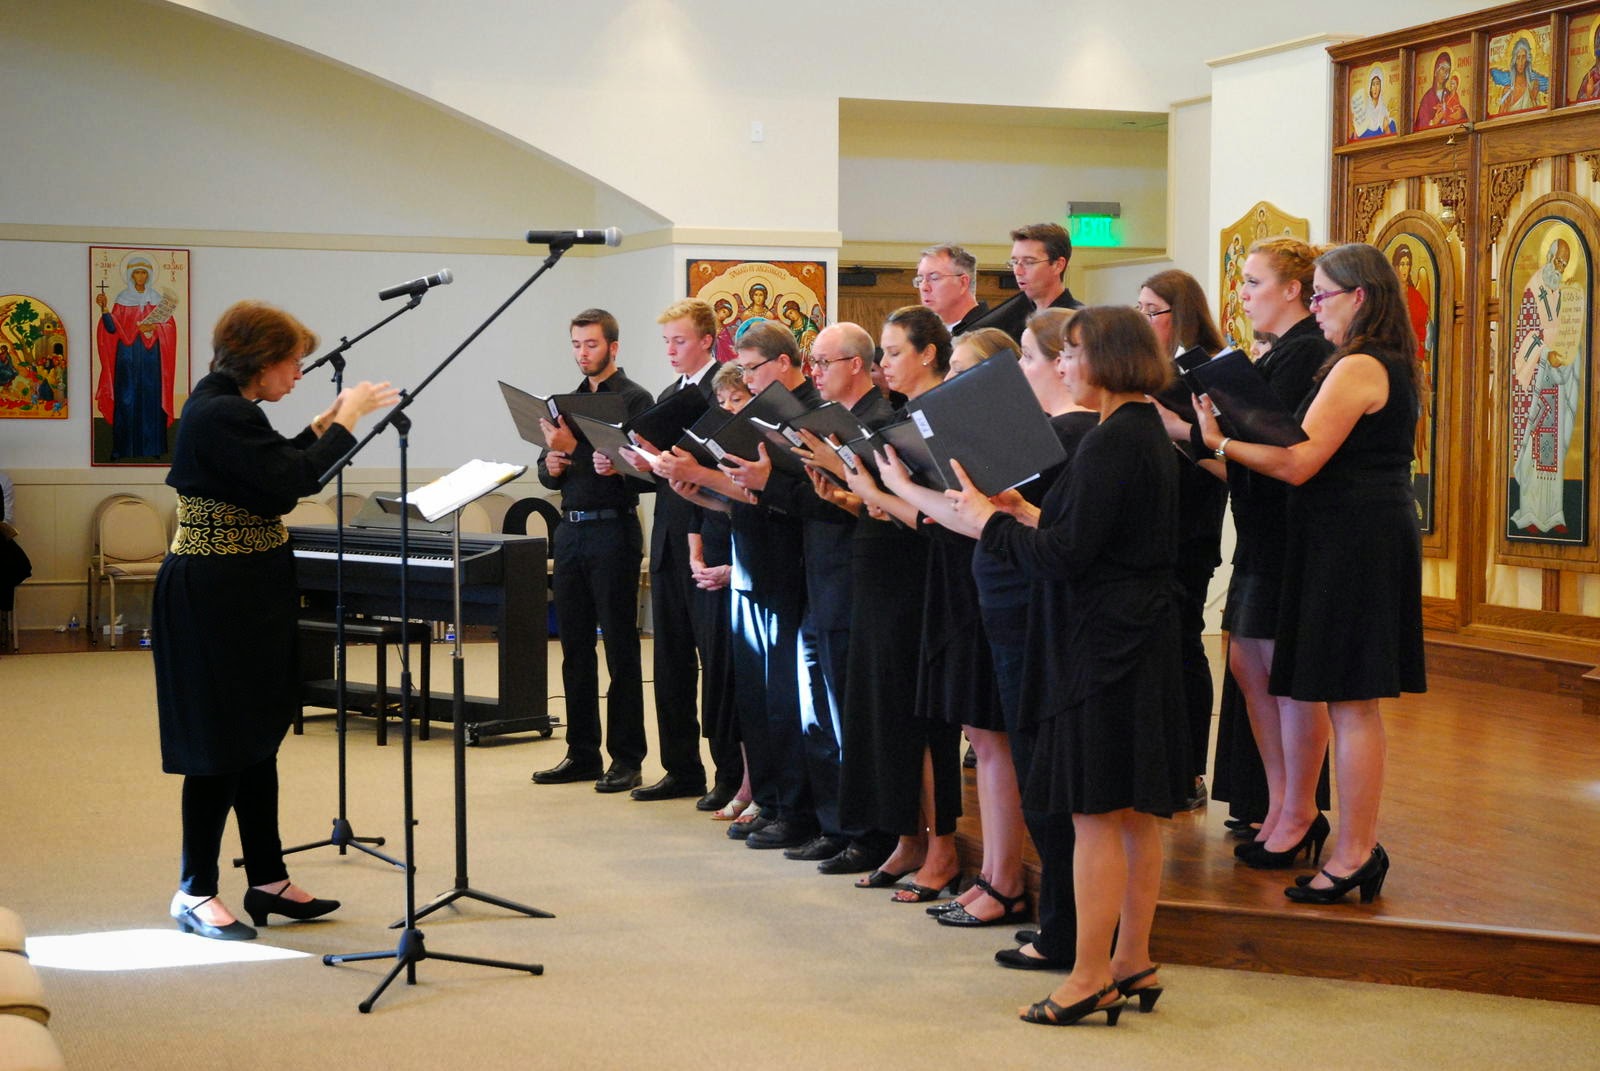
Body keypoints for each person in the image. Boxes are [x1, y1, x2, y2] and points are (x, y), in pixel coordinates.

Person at [947, 305, 1188, 1025]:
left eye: (1072, 353)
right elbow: (1089, 534)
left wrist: (988, 523)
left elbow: (1065, 557)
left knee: (1094, 816)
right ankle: (1132, 957)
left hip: (1102, 649)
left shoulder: (1113, 440)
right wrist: (1024, 511)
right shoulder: (1137, 430)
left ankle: (1088, 975)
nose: (1062, 364)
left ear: (1107, 359)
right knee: (1132, 816)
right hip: (1133, 638)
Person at [154, 300, 397, 940]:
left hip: (243, 589)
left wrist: (320, 428)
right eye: (291, 362)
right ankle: (194, 891)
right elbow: (294, 483)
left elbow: (266, 477)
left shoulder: (227, 407)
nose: (298, 373)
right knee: (219, 745)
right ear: (260, 362)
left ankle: (267, 879)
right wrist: (346, 420)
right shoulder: (221, 412)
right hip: (215, 595)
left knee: (257, 738)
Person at [1195, 242, 1427, 904]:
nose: (1316, 307)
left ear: (1359, 297)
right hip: (1346, 535)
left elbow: (1299, 462)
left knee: (1353, 703)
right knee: (1345, 699)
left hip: (1356, 539)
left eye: (1323, 295)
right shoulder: (1372, 359)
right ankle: (1350, 845)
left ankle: (1356, 851)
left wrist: (1218, 440)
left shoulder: (1360, 364)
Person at [849, 325, 1018, 920]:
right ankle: (975, 866)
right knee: (965, 733)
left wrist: (888, 490)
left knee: (981, 739)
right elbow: (938, 515)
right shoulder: (941, 425)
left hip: (969, 581)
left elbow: (957, 516)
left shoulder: (1000, 435)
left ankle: (990, 871)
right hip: (947, 576)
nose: (955, 383)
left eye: (966, 372)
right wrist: (876, 493)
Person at [727, 322, 898, 866]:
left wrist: (772, 485)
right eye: (815, 362)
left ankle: (865, 833)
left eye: (824, 363)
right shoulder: (827, 419)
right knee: (818, 710)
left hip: (854, 576)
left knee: (846, 714)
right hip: (820, 574)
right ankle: (833, 823)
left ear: (856, 364)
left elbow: (854, 507)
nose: (816, 371)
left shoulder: (875, 422)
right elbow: (819, 498)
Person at [1200, 240, 1334, 867]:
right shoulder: (1278, 351)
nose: (1244, 294)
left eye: (1253, 282)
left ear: (1292, 290)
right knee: (1249, 669)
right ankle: (1280, 803)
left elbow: (1284, 449)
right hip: (1260, 532)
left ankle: (1299, 809)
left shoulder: (1306, 351)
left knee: (1285, 680)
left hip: (1289, 535)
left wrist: (1214, 436)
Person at [530, 309, 655, 793]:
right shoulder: (566, 403)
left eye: (591, 344)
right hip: (571, 530)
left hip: (613, 530)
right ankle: (581, 752)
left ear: (613, 347)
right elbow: (546, 471)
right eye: (576, 344)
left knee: (620, 648)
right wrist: (552, 462)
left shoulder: (634, 399)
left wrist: (576, 451)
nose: (583, 353)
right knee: (574, 647)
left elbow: (644, 473)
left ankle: (627, 758)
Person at [618, 299, 733, 805]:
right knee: (670, 662)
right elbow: (662, 473)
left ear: (707, 340)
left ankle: (729, 772)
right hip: (668, 535)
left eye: (680, 340)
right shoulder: (669, 395)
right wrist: (633, 464)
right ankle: (680, 767)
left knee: (715, 662)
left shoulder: (721, 393)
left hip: (710, 534)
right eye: (666, 341)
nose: (670, 350)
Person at [1138, 270, 1229, 811]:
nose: (1143, 319)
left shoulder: (1203, 374)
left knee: (1183, 645)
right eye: (1140, 309)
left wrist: (1172, 427)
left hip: (1189, 527)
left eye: (1152, 310)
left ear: (1182, 313)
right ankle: (1159, 763)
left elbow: (1223, 455)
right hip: (1151, 528)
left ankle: (1190, 768)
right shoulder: (1152, 373)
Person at [1509, 237, 1581, 535]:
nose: (1560, 268)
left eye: (1565, 263)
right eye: (1558, 261)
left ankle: (1552, 513)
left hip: (1558, 382)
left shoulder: (1561, 292)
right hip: (1537, 382)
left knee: (1554, 453)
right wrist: (1545, 352)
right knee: (1537, 451)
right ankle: (1530, 512)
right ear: (1549, 257)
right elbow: (1524, 337)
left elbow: (1567, 332)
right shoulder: (1533, 291)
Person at [95, 253, 178, 460]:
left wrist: (155, 327)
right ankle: (122, 449)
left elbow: (169, 326)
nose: (140, 276)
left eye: (144, 273)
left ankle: (153, 448)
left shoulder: (157, 299)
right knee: (126, 400)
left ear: (148, 275)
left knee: (151, 398)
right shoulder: (123, 299)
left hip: (151, 358)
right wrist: (104, 309)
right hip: (128, 358)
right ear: (131, 275)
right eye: (137, 273)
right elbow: (111, 329)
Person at [970, 223, 1084, 342]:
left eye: (1029, 262)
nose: (1017, 271)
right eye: (1015, 262)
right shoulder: (1012, 316)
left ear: (1058, 265)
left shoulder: (1078, 323)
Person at [916, 243, 989, 336]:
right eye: (920, 279)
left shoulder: (989, 334)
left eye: (934, 278)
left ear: (962, 283)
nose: (924, 287)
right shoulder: (922, 333)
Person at [1414, 51, 1454, 131]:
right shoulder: (1427, 98)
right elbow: (1420, 125)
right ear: (1436, 70)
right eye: (1442, 69)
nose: (1444, 74)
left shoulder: (1449, 95)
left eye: (1447, 71)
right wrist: (1434, 122)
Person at [1353, 65, 1395, 138]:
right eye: (1373, 84)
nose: (1375, 88)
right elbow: (1355, 141)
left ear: (1381, 87)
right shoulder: (1362, 115)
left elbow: (1395, 142)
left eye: (1377, 84)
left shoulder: (1386, 116)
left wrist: (1387, 129)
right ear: (1369, 87)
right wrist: (1356, 130)